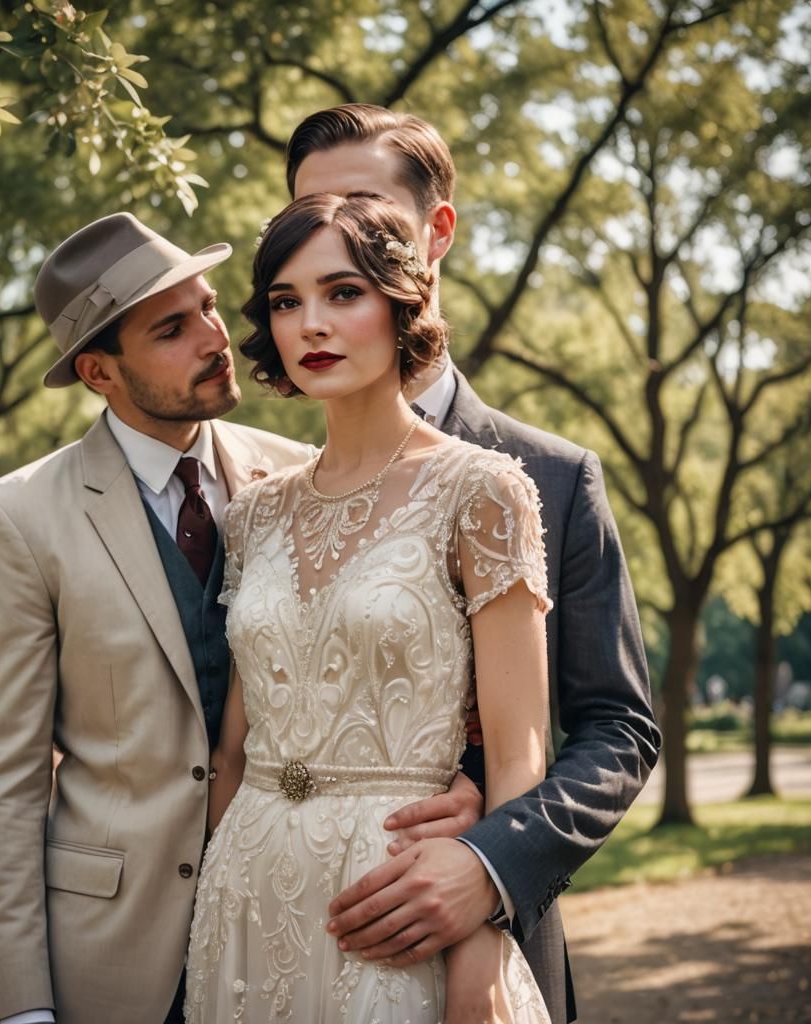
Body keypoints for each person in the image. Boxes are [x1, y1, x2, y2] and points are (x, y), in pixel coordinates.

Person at [0, 211, 480, 1024]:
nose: (214, 336)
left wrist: (469, 795)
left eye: (207, 307)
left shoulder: (300, 476)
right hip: (111, 954)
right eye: (172, 328)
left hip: (304, 919)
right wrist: (19, 1007)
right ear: (99, 371)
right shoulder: (17, 519)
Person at [285, 104, 662, 1022]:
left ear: (437, 231)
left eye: (366, 210)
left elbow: (618, 728)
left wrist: (491, 862)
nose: (335, 233)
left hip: (482, 950)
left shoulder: (554, 477)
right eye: (307, 211)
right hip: (293, 932)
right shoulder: (273, 493)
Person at [185, 190, 553, 1023]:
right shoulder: (254, 514)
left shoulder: (483, 490)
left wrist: (484, 935)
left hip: (402, 894)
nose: (311, 322)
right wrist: (212, 903)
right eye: (288, 302)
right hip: (245, 898)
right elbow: (236, 749)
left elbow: (520, 749)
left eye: (342, 292)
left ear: (402, 301)